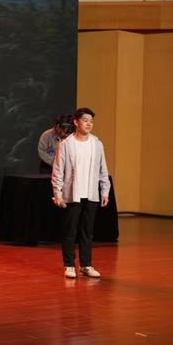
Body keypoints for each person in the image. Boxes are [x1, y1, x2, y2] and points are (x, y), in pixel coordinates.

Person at [51, 108, 110, 279]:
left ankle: (86, 265)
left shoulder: (97, 144)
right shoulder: (66, 144)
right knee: (70, 231)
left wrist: (105, 191)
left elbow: (103, 169)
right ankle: (69, 265)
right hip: (72, 194)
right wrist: (58, 194)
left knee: (87, 232)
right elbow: (58, 171)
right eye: (85, 120)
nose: (89, 124)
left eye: (91, 121)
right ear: (76, 122)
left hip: (91, 194)